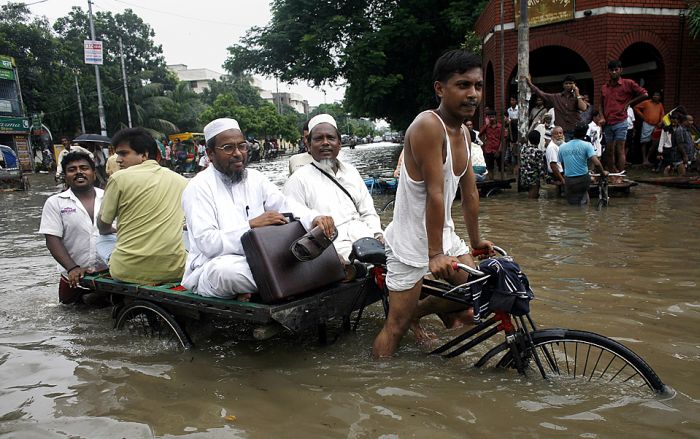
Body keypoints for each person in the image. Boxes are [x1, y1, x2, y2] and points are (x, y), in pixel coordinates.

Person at [372, 49, 493, 358]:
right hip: (412, 242)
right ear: (440, 89)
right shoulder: (428, 126)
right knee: (395, 327)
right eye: (463, 85)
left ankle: (419, 311)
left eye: (478, 86)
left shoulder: (464, 133)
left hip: (443, 234)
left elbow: (470, 194)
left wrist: (477, 241)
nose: (473, 94)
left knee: (473, 292)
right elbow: (436, 194)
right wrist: (434, 253)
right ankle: (378, 384)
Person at [181, 118, 335, 300]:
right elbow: (208, 244)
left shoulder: (255, 178)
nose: (238, 153)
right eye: (228, 148)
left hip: (259, 257)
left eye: (242, 146)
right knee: (227, 272)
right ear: (210, 153)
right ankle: (295, 280)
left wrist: (315, 218)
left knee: (292, 257)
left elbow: (285, 204)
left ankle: (266, 286)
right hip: (214, 265)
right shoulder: (198, 187)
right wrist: (251, 226)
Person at [283, 114, 383, 265]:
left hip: (366, 241)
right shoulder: (297, 181)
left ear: (339, 143)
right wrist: (330, 258)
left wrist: (378, 235)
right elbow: (293, 228)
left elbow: (368, 212)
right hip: (332, 252)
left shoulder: (352, 172)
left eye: (330, 138)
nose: (325, 143)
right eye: (318, 139)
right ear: (308, 145)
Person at [96, 128, 188, 284]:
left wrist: (112, 230)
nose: (118, 160)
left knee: (102, 238)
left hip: (126, 271)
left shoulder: (119, 178)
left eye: (123, 154)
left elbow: (103, 225)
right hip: (177, 270)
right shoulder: (181, 181)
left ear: (144, 155)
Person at [39, 151, 108, 305]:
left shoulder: (108, 198)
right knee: (71, 319)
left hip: (109, 275)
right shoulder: (55, 202)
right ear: (65, 176)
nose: (79, 172)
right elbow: (52, 239)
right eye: (72, 169)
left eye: (84, 168)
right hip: (73, 277)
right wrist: (72, 268)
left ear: (94, 173)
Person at [600, 59, 649, 172]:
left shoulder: (628, 83)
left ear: (621, 70)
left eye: (616, 70)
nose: (613, 72)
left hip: (621, 120)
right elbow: (600, 104)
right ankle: (613, 172)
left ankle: (620, 174)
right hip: (608, 121)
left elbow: (644, 94)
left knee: (620, 149)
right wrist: (602, 116)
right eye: (611, 70)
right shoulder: (605, 87)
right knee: (609, 149)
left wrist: (629, 103)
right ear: (608, 71)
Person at [558, 122, 608, 205]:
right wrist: (603, 173)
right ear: (585, 133)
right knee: (583, 201)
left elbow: (562, 164)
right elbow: (597, 163)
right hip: (583, 179)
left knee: (571, 203)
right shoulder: (587, 145)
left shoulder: (562, 147)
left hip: (569, 179)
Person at [526, 75, 588, 140]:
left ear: (574, 85)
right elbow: (542, 94)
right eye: (566, 83)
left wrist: (577, 93)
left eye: (570, 83)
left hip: (575, 131)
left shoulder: (578, 98)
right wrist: (530, 84)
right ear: (563, 85)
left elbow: (583, 108)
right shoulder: (556, 97)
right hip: (562, 132)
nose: (568, 85)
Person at [634, 91, 665, 165]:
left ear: (660, 97)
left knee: (655, 143)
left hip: (656, 126)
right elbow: (636, 107)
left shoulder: (660, 105)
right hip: (647, 124)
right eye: (654, 95)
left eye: (657, 95)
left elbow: (662, 114)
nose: (655, 97)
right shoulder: (646, 102)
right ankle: (644, 159)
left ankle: (648, 158)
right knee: (644, 142)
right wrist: (643, 116)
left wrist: (661, 122)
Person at [519, 130, 545, 199]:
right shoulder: (538, 152)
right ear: (539, 140)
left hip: (523, 177)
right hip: (533, 178)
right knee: (532, 199)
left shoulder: (523, 149)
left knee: (531, 195)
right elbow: (541, 168)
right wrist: (547, 179)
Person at [479, 110, 503, 180]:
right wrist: (483, 143)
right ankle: (491, 180)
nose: (491, 119)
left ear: (496, 117)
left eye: (493, 117)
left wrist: (499, 150)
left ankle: (501, 181)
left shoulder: (500, 127)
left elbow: (503, 140)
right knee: (489, 167)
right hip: (488, 150)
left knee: (501, 167)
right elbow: (479, 134)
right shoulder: (486, 127)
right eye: (490, 117)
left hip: (498, 149)